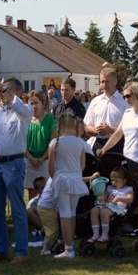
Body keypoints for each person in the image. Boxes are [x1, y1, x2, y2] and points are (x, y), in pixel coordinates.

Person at [98, 81, 138, 245]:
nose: (125, 99)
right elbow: (117, 134)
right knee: (134, 200)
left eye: (128, 95)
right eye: (124, 96)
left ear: (137, 94)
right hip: (128, 161)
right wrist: (103, 149)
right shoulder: (126, 113)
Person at [0, 78, 33, 264]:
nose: (1, 94)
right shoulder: (0, 113)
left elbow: (20, 108)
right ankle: (1, 250)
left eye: (6, 90)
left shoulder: (25, 111)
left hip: (14, 163)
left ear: (18, 91)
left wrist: (1, 86)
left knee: (17, 209)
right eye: (1, 91)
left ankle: (22, 251)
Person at [47, 111, 89, 259]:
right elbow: (82, 165)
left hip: (62, 178)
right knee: (71, 213)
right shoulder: (80, 143)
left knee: (65, 214)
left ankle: (68, 248)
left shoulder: (55, 143)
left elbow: (50, 167)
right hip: (76, 179)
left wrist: (56, 177)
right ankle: (69, 247)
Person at [84, 68, 129, 155]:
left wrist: (111, 130)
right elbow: (86, 125)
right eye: (102, 82)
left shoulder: (124, 102)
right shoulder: (95, 101)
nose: (104, 85)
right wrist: (97, 130)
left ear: (115, 81)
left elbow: (130, 128)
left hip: (117, 145)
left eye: (107, 82)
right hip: (98, 143)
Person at [88, 166, 134, 243]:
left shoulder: (127, 189)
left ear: (124, 181)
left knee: (104, 212)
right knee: (94, 210)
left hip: (118, 209)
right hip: (107, 205)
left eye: (116, 181)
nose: (113, 183)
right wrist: (101, 197)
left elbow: (130, 199)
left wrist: (119, 198)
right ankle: (95, 234)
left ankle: (105, 235)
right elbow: (104, 195)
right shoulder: (110, 188)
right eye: (112, 180)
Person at [25, 90, 55, 200]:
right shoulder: (25, 120)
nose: (33, 106)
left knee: (46, 191)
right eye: (31, 103)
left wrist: (42, 158)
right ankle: (32, 215)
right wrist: (30, 158)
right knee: (32, 192)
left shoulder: (49, 119)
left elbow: (53, 142)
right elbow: (21, 142)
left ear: (42, 103)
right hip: (29, 160)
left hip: (45, 160)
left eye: (36, 103)